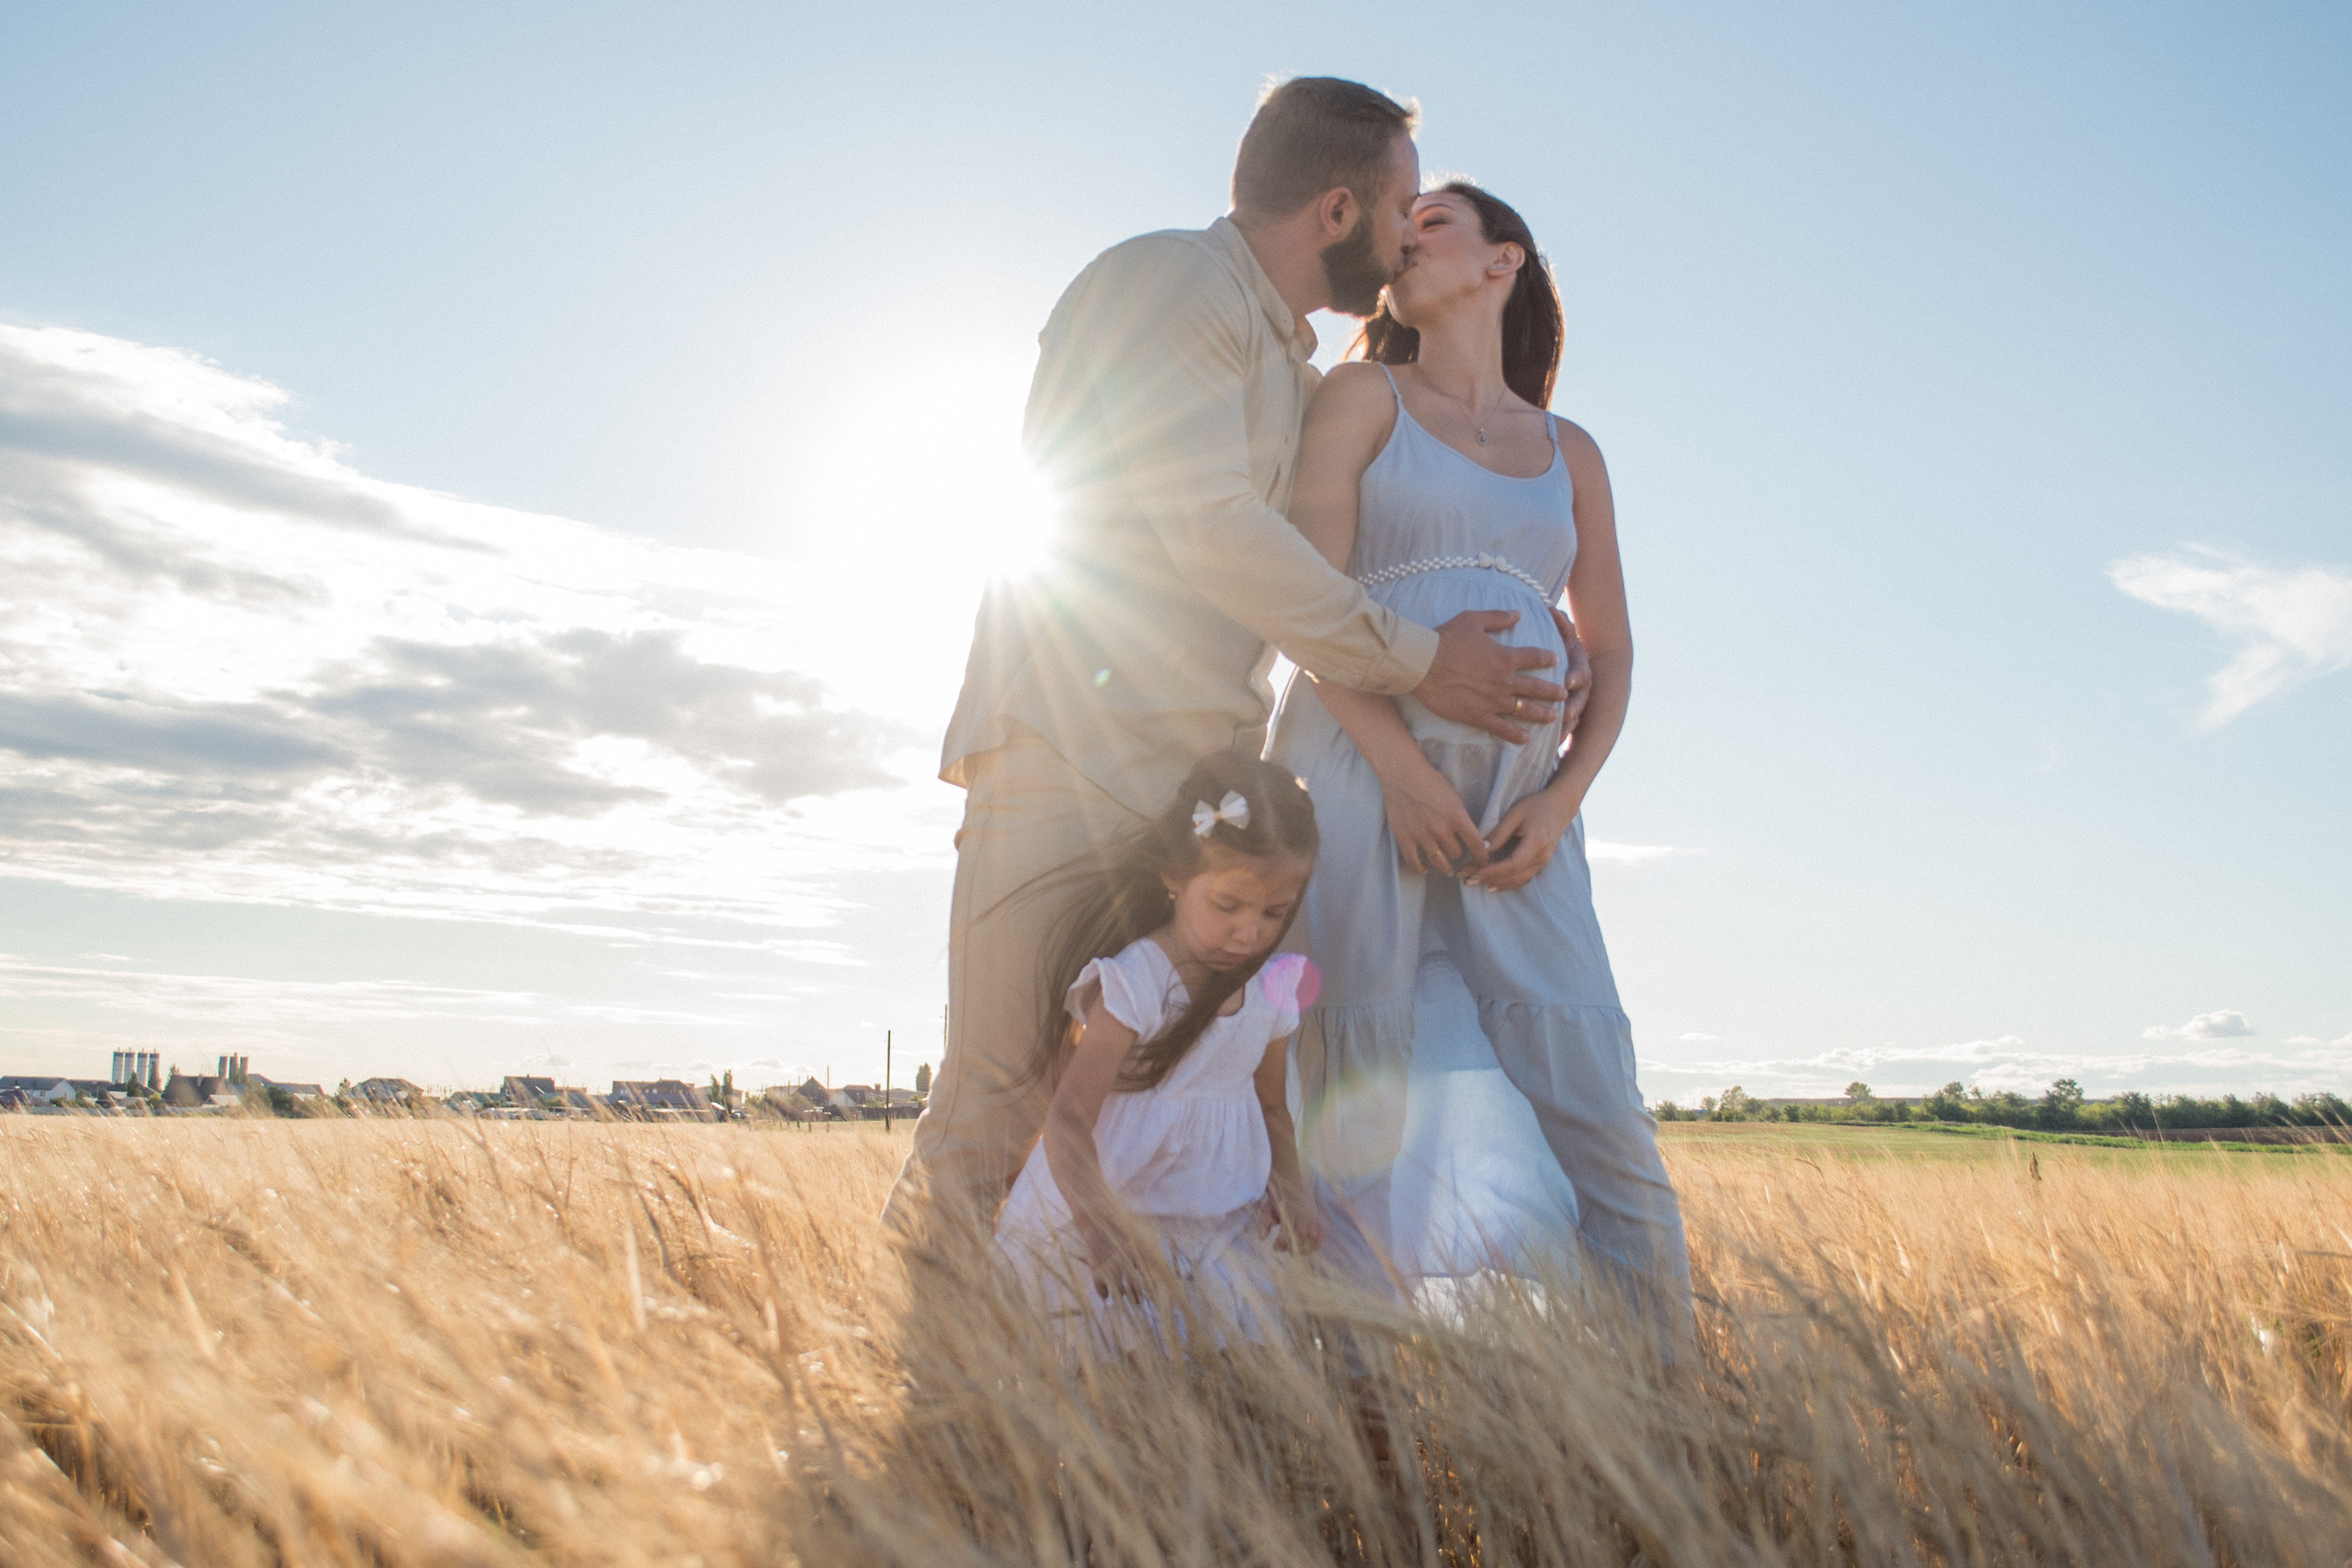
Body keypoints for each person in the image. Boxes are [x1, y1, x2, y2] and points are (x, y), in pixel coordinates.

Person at [888, 78, 1589, 1231]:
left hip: (1188, 792)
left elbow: (1354, 552)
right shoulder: (1170, 283)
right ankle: (921, 1400)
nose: (1411, 227)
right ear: (1333, 212)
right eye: (1401, 201)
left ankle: (1093, 1396)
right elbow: (1210, 524)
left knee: (1149, 1101)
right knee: (1002, 1091)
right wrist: (1418, 659)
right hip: (1067, 751)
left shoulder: (1303, 381)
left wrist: (1525, 602)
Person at [1268, 183, 1693, 1355]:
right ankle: (1351, 1416)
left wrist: (1562, 802)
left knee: (1590, 1092)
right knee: (1350, 1085)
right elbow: (1309, 606)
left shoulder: (1572, 452)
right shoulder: (1361, 398)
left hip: (1522, 810)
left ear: (1506, 259)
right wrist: (1402, 772)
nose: (1402, 235)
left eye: (1434, 220)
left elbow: (1608, 649)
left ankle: (1669, 1407)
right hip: (1356, 775)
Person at [993, 750, 1323, 1352]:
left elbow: (1273, 1106)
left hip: (1216, 1224)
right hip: (1111, 1217)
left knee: (1224, 1379)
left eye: (1275, 912)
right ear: (1174, 876)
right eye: (1229, 905)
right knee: (1118, 1389)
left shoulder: (1272, 988)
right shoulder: (1138, 980)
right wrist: (1100, 1227)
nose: (1250, 932)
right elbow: (1067, 1117)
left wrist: (1293, 1188)